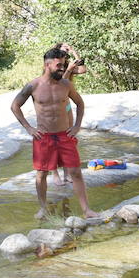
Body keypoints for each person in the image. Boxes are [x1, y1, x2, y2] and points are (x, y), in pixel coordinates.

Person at [11, 47, 99, 220]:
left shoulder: (66, 85)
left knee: (75, 172)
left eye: (64, 64)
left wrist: (77, 126)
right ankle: (43, 208)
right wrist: (29, 128)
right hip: (44, 137)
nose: (63, 67)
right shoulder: (33, 85)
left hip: (65, 136)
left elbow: (80, 104)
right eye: (59, 64)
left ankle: (86, 210)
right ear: (47, 64)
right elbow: (15, 106)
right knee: (41, 174)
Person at [56, 43, 88, 187]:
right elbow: (61, 82)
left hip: (67, 103)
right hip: (55, 104)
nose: (66, 53)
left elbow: (83, 69)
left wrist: (75, 52)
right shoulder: (54, 66)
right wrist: (68, 70)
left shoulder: (69, 64)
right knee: (54, 139)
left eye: (67, 51)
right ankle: (54, 174)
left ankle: (66, 173)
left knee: (67, 137)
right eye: (64, 50)